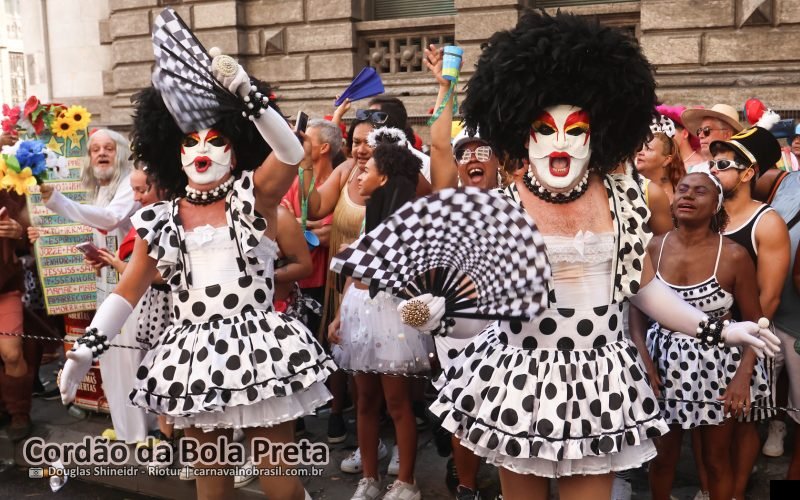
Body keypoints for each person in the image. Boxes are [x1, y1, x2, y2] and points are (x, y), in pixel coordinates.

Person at [410, 12, 777, 500]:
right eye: (546, 128)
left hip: (597, 380)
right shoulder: (503, 206)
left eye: (575, 129)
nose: (560, 141)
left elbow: (644, 288)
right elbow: (481, 316)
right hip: (521, 378)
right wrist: (442, 315)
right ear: (523, 133)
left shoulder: (623, 199)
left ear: (596, 135)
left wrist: (722, 329)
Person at [57, 42, 336, 499]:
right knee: (212, 489)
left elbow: (289, 154)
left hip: (257, 352)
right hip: (194, 359)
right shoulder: (160, 218)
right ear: (175, 151)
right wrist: (86, 349)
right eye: (190, 141)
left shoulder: (253, 199)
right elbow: (127, 291)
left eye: (215, 139)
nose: (201, 149)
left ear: (235, 146)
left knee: (281, 485)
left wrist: (249, 96)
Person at [638, 172, 769, 500]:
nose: (688, 196)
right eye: (682, 189)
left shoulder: (735, 255)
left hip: (718, 366)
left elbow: (755, 323)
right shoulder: (654, 246)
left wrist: (743, 376)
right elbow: (637, 311)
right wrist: (643, 359)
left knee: (714, 459)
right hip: (663, 362)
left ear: (716, 206)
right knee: (662, 457)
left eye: (699, 192)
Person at [329, 137, 433, 500]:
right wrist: (340, 313)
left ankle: (406, 481)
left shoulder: (409, 222)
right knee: (364, 400)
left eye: (367, 170)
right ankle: (370, 477)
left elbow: (394, 275)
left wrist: (356, 259)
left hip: (392, 315)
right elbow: (354, 278)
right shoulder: (369, 214)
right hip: (358, 310)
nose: (359, 176)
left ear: (385, 177)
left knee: (397, 402)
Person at [35, 128, 151, 444]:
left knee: (131, 359)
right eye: (95, 149)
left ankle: (143, 431)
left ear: (121, 153)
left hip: (133, 289)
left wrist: (57, 201)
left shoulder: (129, 184)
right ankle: (125, 428)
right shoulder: (101, 188)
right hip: (107, 286)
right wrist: (98, 256)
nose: (101, 154)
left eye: (108, 148)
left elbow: (109, 219)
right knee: (110, 358)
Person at [709, 126, 790, 500]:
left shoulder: (767, 222)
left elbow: (768, 300)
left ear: (747, 172)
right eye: (711, 161)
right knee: (706, 430)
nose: (712, 169)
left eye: (723, 164)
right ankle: (712, 491)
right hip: (701, 338)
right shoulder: (706, 213)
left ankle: (736, 493)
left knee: (740, 426)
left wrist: (747, 360)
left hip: (746, 342)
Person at [90, 161, 176, 461]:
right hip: (152, 307)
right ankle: (163, 435)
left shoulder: (176, 218)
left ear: (162, 187)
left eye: (142, 190)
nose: (137, 198)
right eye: (134, 191)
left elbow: (162, 275)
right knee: (155, 370)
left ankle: (178, 438)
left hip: (174, 309)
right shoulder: (147, 219)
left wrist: (120, 267)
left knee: (171, 371)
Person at [281, 118, 346, 443]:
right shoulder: (293, 179)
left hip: (329, 278)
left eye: (307, 137)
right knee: (295, 349)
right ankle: (299, 418)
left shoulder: (341, 182)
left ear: (323, 148)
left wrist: (312, 229)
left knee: (331, 348)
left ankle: (336, 413)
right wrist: (298, 228)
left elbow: (334, 227)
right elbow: (285, 220)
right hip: (294, 280)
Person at [0, 187, 32, 441]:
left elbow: (31, 233)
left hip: (6, 286)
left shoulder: (10, 185)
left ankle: (19, 413)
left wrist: (19, 233)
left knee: (11, 353)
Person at [635, 131, 685, 203]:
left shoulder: (681, 194)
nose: (640, 153)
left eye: (648, 149)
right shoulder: (629, 186)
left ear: (666, 160)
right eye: (640, 148)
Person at [657, 105, 703, 171]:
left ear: (685, 134)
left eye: (668, 131)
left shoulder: (702, 166)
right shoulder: (662, 164)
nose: (664, 138)